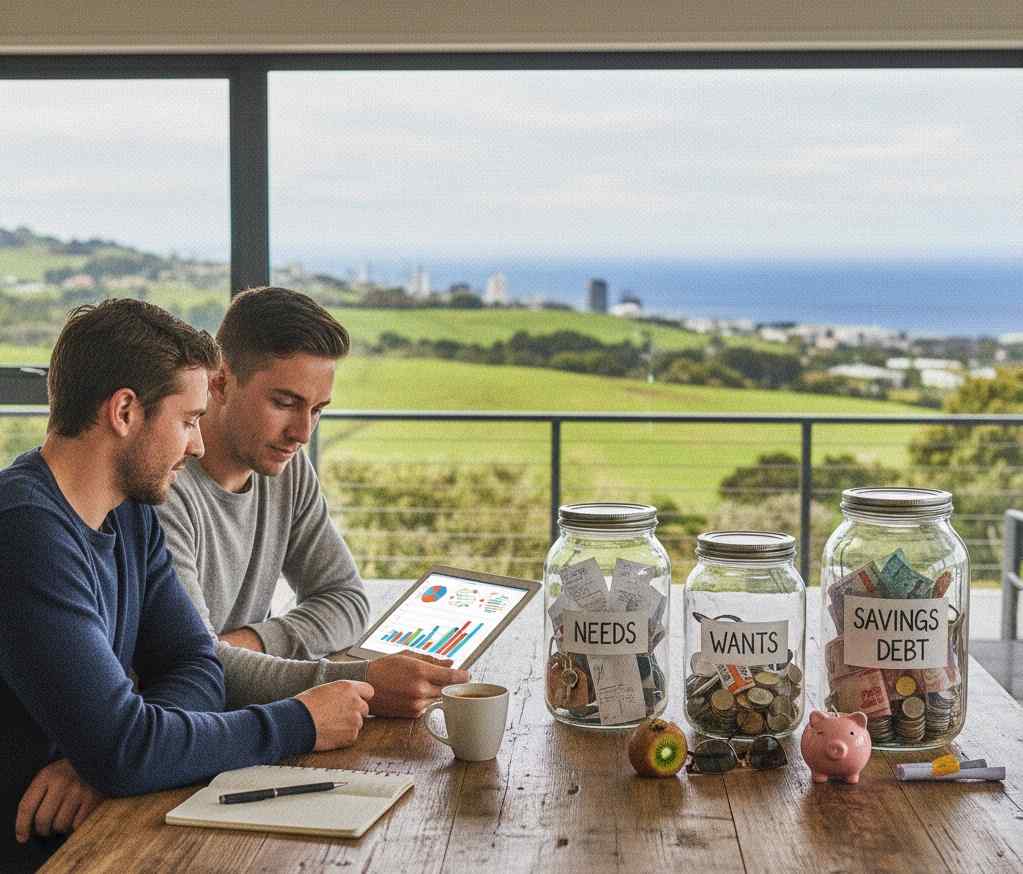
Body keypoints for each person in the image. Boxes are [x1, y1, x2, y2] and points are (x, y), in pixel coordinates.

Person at [0, 300, 374, 871]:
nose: (198, 445)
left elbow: (196, 665)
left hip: (102, 824)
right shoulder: (25, 530)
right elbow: (126, 750)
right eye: (187, 420)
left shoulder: (130, 512)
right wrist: (299, 721)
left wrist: (121, 754)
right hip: (44, 849)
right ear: (125, 411)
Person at [156, 287, 468, 718]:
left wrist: (248, 642)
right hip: (186, 731)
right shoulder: (163, 488)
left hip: (235, 718)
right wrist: (357, 681)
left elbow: (345, 599)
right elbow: (195, 667)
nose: (302, 433)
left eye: (318, 409)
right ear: (220, 382)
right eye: (285, 403)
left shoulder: (287, 468)